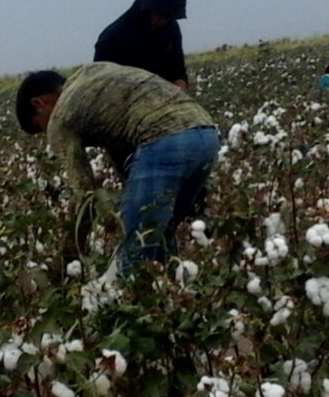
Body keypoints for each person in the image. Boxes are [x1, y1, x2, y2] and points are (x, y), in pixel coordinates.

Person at [16, 62, 219, 274]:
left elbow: (84, 195)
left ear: (39, 103)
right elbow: (120, 146)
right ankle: (168, 296)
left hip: (165, 139)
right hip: (207, 135)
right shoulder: (93, 76)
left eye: (40, 127)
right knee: (159, 237)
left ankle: (124, 299)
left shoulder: (60, 116)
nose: (47, 133)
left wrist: (69, 255)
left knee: (135, 248)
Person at [94, 0, 189, 90]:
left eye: (168, 16)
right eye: (158, 12)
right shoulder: (110, 39)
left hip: (165, 101)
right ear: (147, 6)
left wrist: (178, 92)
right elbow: (100, 89)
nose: (162, 20)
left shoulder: (171, 30)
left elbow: (178, 72)